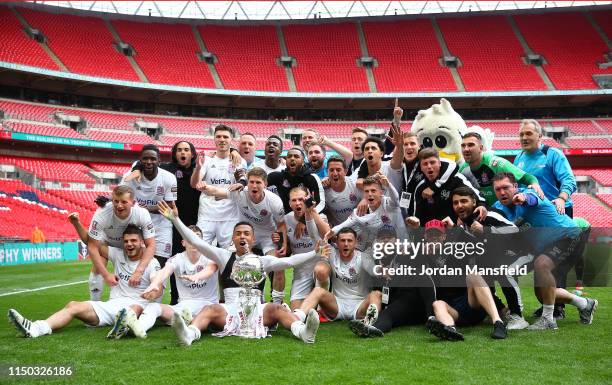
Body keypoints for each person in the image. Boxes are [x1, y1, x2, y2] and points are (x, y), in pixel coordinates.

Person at [157, 201, 328, 345]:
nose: (242, 237)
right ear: (232, 238)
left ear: (253, 239)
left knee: (277, 308)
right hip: (229, 310)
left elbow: (289, 261)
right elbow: (196, 241)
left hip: (257, 310)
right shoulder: (223, 256)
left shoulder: (262, 261)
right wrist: (176, 220)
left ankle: (303, 332)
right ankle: (189, 335)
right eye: (238, 234)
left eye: (246, 234)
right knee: (209, 309)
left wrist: (315, 253)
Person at [8, 225, 160, 339]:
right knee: (73, 305)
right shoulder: (117, 254)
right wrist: (76, 223)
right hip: (111, 306)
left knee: (135, 307)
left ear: (142, 242)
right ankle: (36, 328)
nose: (129, 244)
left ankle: (125, 325)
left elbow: (156, 282)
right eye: (126, 241)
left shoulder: (151, 262)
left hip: (136, 306)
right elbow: (90, 242)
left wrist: (152, 291)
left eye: (134, 240)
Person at [492, 172, 597, 330]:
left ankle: (548, 320)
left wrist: (523, 198)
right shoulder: (498, 208)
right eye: (497, 189)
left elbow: (532, 199)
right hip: (543, 247)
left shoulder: (530, 192)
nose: (502, 192)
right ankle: (585, 304)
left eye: (506, 187)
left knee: (542, 264)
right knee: (543, 295)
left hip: (568, 235)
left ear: (515, 186)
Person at [513, 119, 578, 317]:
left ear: (539, 136)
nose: (525, 138)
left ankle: (557, 307)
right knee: (541, 260)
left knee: (552, 263)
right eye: (522, 134)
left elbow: (569, 180)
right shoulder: (519, 158)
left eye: (529, 134)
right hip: (535, 217)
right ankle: (547, 300)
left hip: (557, 212)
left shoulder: (552, 154)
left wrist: (561, 198)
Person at [124, 140, 201, 305]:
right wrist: (137, 168)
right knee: (167, 262)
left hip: (194, 222)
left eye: (186, 149)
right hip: (171, 221)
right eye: (179, 149)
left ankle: (190, 298)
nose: (182, 153)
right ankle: (152, 299)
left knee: (192, 260)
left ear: (192, 153)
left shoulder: (200, 168)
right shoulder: (168, 168)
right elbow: (145, 161)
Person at [199, 167, 288, 305]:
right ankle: (224, 300)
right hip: (244, 235)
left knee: (278, 266)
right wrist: (203, 186)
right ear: (247, 183)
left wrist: (283, 244)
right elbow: (215, 191)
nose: (254, 185)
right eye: (251, 182)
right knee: (223, 263)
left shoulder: (274, 201)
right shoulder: (240, 193)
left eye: (258, 182)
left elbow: (281, 224)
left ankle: (277, 305)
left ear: (265, 184)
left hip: (266, 236)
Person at [450, 186, 529, 330]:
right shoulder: (464, 223)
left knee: (504, 271)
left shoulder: (488, 214)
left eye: (463, 201)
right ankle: (500, 310)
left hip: (522, 253)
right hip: (498, 257)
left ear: (474, 202)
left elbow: (514, 229)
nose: (459, 205)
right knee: (478, 274)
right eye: (455, 203)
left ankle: (518, 316)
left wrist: (486, 230)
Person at [120, 225, 219, 338]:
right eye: (189, 238)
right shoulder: (177, 258)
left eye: (197, 238)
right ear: (183, 243)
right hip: (184, 306)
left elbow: (210, 269)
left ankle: (189, 321)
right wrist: (154, 284)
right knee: (153, 307)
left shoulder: (211, 257)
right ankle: (139, 329)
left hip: (207, 306)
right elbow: (164, 272)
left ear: (202, 241)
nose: (193, 242)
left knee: (199, 315)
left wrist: (197, 276)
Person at [422, 220, 508, 341]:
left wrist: (457, 228)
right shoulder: (421, 255)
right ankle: (450, 330)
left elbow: (477, 244)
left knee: (473, 275)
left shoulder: (457, 249)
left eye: (437, 235)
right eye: (430, 235)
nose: (434, 238)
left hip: (469, 302)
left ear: (444, 237)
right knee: (437, 304)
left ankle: (498, 322)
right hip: (452, 310)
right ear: (425, 237)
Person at [349, 228, 436, 338]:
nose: (385, 240)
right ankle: (369, 327)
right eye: (382, 238)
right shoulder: (374, 260)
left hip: (415, 300)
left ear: (396, 240)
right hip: (397, 303)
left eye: (389, 238)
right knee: (387, 313)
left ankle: (432, 318)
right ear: (377, 242)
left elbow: (421, 254)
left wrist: (416, 231)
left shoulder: (406, 253)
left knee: (422, 275)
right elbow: (369, 265)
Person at [74, 185, 156, 301]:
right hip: (109, 244)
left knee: (151, 264)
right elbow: (92, 247)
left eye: (124, 202)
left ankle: (147, 301)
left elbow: (151, 245)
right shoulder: (102, 213)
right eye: (116, 201)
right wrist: (106, 275)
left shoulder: (142, 213)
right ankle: (95, 303)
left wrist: (139, 270)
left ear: (133, 203)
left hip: (131, 245)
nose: (119, 205)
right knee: (98, 265)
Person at [121, 144, 177, 299]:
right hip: (135, 226)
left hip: (161, 225)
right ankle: (132, 298)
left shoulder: (168, 178)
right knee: (135, 263)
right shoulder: (130, 177)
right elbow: (120, 199)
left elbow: (170, 207)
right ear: (140, 160)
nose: (149, 162)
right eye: (145, 158)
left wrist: (145, 209)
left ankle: (155, 301)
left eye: (153, 158)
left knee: (159, 264)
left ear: (159, 160)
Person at [298, 227, 381, 323]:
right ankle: (297, 318)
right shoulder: (331, 253)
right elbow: (314, 236)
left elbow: (373, 270)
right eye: (342, 240)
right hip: (337, 305)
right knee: (317, 291)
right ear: (337, 242)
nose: (346, 244)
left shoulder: (363, 257)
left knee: (376, 295)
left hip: (360, 305)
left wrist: (381, 270)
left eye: (349, 241)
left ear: (356, 243)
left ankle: (369, 324)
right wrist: (310, 213)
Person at [191, 124, 247, 248]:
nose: (222, 139)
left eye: (225, 137)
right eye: (219, 136)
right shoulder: (207, 159)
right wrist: (198, 168)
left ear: (231, 139)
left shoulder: (238, 160)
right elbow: (195, 184)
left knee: (231, 254)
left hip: (230, 217)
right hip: (207, 216)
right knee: (200, 252)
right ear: (214, 139)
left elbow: (242, 182)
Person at [460, 132, 543, 206]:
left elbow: (527, 177)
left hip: (505, 211)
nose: (466, 149)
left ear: (481, 148)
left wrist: (535, 184)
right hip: (483, 211)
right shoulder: (463, 169)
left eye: (470, 145)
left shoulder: (498, 164)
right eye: (463, 146)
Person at [406, 148, 484, 226]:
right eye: (425, 164)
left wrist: (481, 205)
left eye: (432, 162)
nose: (429, 166)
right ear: (421, 168)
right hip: (435, 233)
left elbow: (477, 196)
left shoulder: (456, 179)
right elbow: (419, 215)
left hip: (457, 229)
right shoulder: (420, 188)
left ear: (439, 163)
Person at [283, 187, 331, 309]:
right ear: (289, 203)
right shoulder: (286, 219)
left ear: (307, 200)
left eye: (301, 199)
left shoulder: (320, 215)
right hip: (301, 270)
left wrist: (311, 212)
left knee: (320, 270)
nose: (298, 203)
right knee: (296, 310)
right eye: (294, 200)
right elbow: (287, 249)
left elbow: (328, 234)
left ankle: (322, 306)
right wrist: (278, 240)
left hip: (320, 263)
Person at [331, 175, 407, 251]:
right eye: (366, 191)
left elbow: (396, 199)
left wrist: (388, 185)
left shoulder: (389, 204)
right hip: (381, 249)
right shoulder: (361, 211)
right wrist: (331, 232)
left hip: (403, 247)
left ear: (381, 192)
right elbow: (343, 225)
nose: (370, 194)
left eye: (373, 191)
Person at [267, 147, 325, 214]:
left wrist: (306, 217)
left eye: (296, 156)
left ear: (303, 161)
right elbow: (259, 184)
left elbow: (321, 203)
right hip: (286, 217)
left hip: (308, 216)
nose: (292, 158)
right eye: (289, 156)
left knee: (323, 218)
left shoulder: (312, 177)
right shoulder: (277, 176)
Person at [323, 156, 362, 227]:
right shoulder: (323, 189)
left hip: (359, 227)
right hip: (338, 230)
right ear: (327, 171)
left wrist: (365, 199)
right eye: (331, 170)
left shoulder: (354, 184)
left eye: (338, 170)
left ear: (345, 171)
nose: (335, 174)